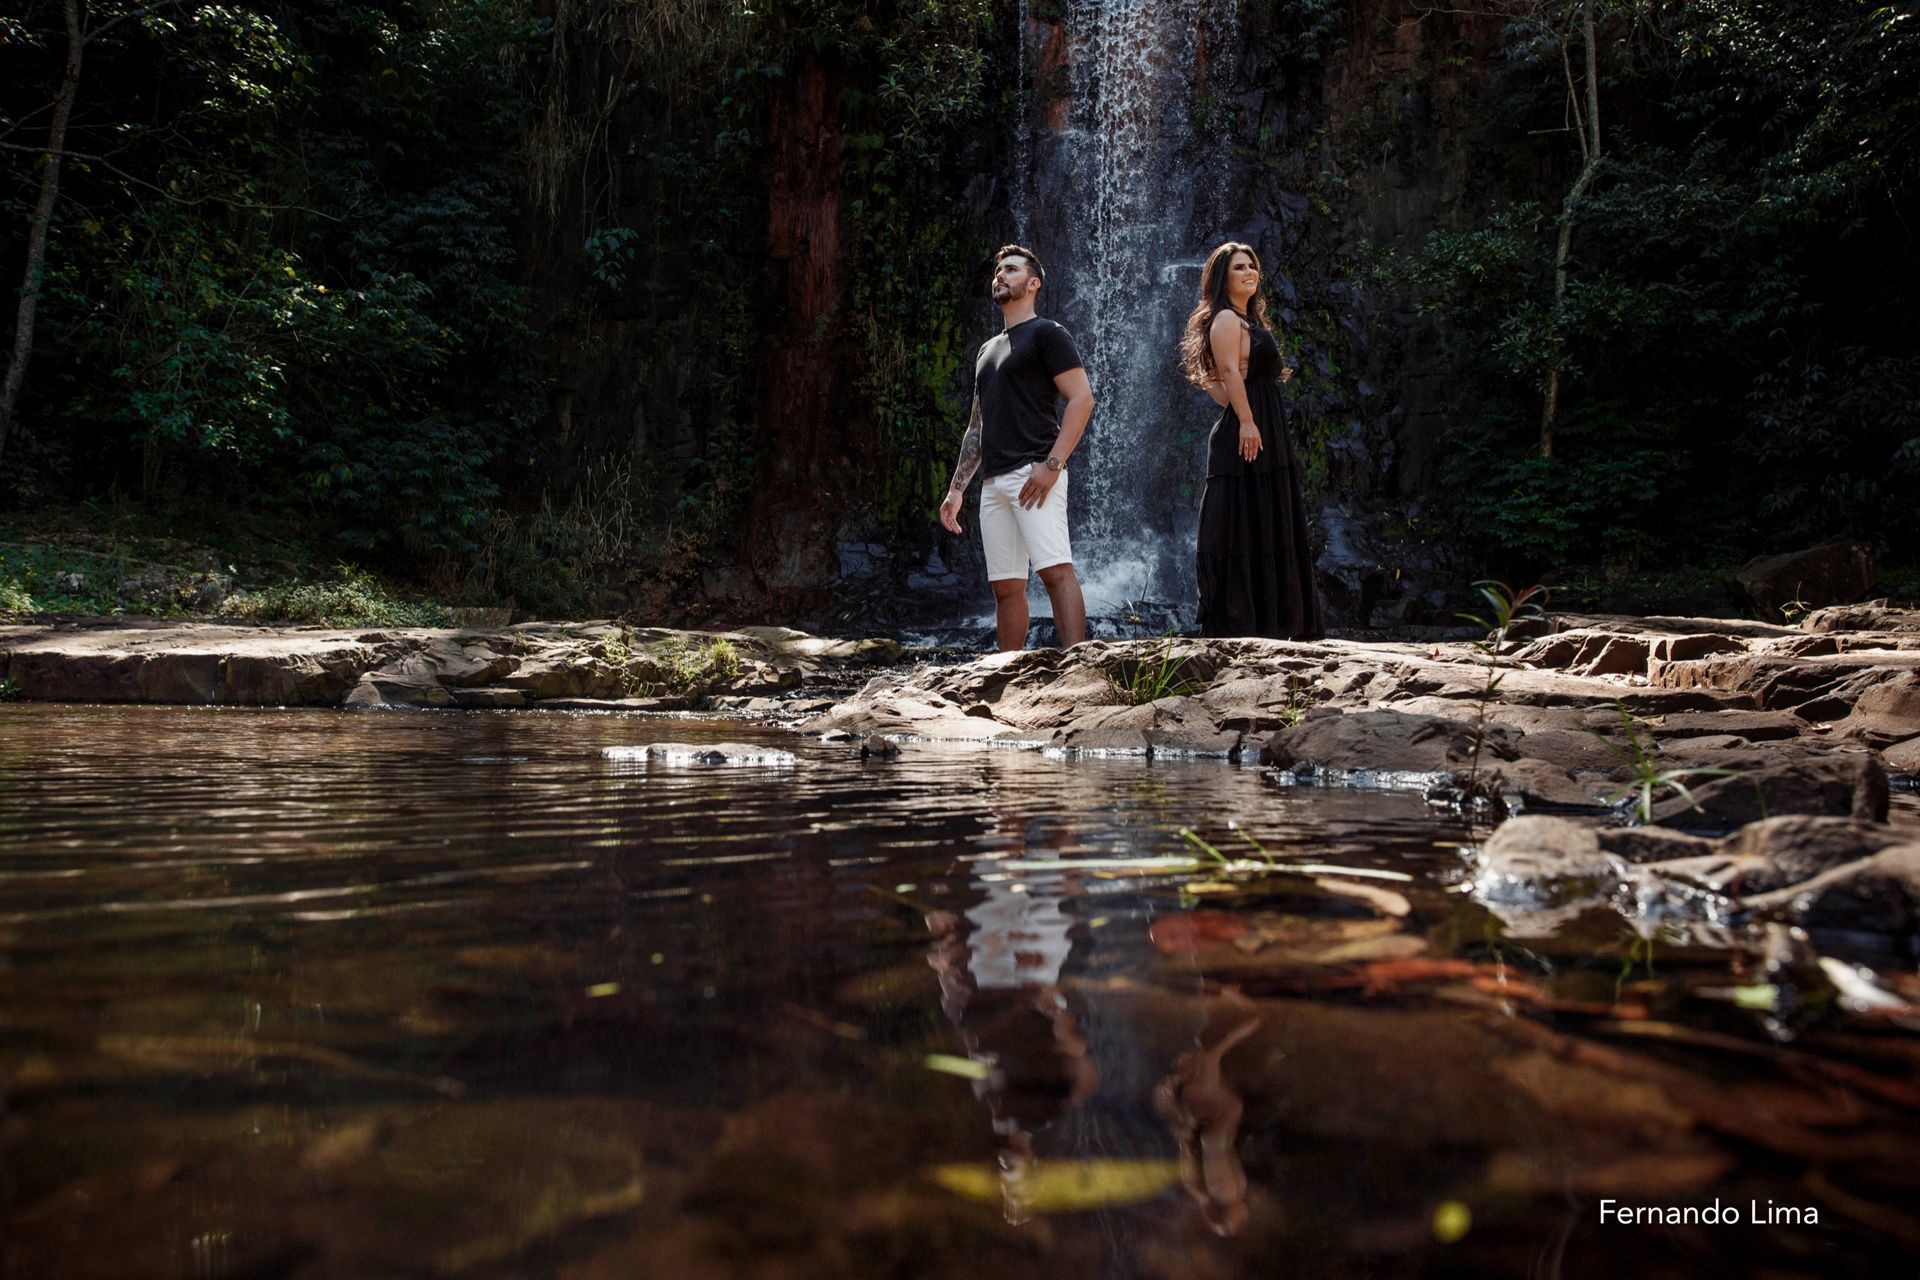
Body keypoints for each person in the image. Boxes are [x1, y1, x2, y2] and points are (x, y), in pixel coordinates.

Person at [938, 245, 1095, 650]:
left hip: (1034, 473)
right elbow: (977, 424)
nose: (1000, 276)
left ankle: (1076, 667)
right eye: (997, 271)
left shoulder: (1049, 334)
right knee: (1006, 588)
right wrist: (957, 490)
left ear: (1033, 282)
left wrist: (1052, 465)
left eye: (1011, 269)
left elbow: (1082, 399)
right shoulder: (986, 350)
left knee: (1056, 572)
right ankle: (1007, 673)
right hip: (993, 483)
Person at [1181, 241, 1324, 639]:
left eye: (1253, 266)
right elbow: (1225, 372)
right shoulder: (1226, 320)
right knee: (1247, 519)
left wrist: (1249, 416)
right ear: (1223, 278)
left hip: (1261, 423)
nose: (1250, 272)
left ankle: (1273, 619)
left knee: (1263, 516)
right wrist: (1245, 420)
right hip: (1249, 427)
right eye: (1239, 267)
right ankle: (1247, 620)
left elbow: (1221, 377)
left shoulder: (1246, 322)